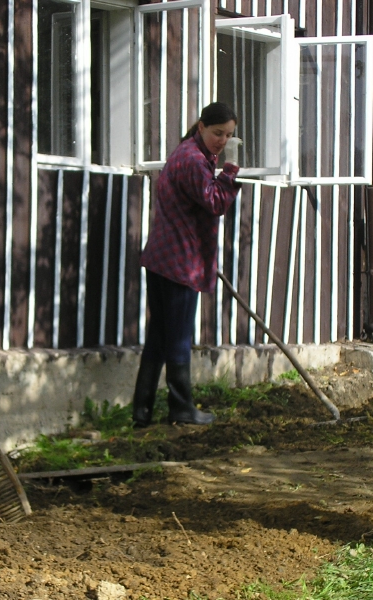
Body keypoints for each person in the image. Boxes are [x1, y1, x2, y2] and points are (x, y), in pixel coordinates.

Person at [132, 102, 241, 428]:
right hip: (179, 263)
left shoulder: (185, 153)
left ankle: (142, 412)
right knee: (177, 337)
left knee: (159, 337)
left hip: (162, 259)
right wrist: (231, 169)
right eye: (218, 133)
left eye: (229, 135)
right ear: (202, 127)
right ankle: (180, 408)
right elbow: (216, 202)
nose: (222, 140)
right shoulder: (193, 161)